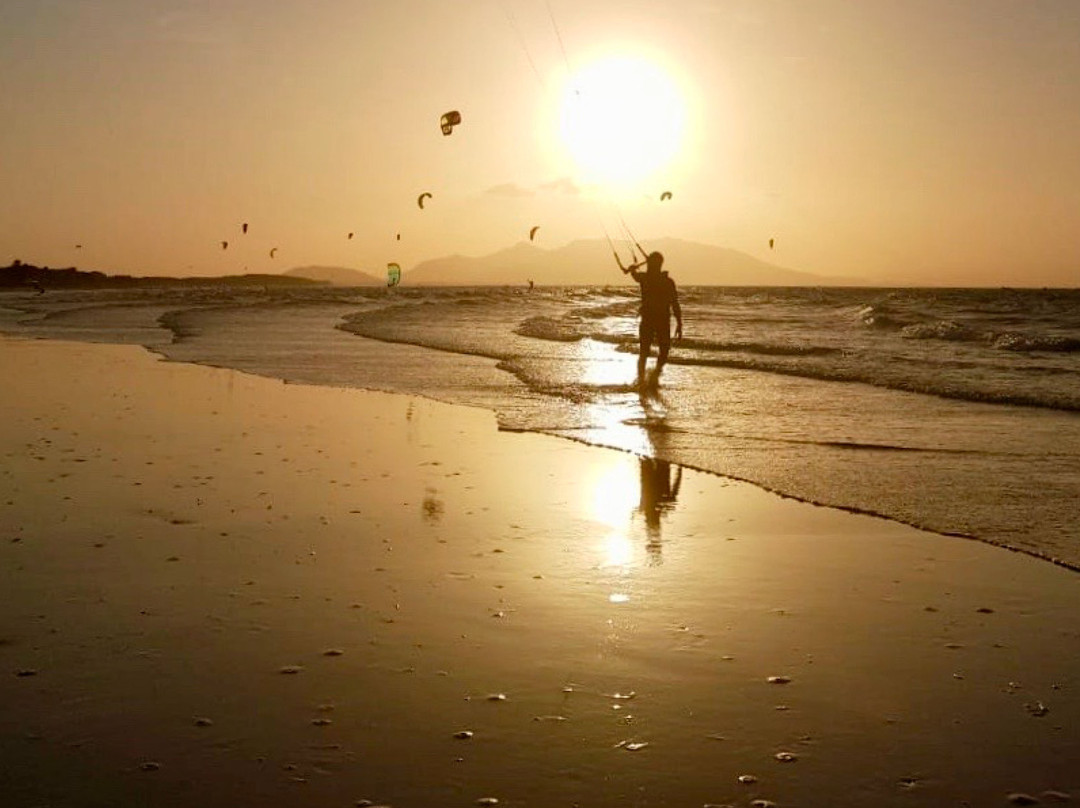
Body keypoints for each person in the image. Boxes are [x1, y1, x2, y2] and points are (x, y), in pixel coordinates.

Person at [621, 250, 683, 385]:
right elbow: (634, 275)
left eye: (651, 263)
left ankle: (654, 376)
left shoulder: (667, 281)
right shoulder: (645, 278)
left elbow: (675, 303)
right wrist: (632, 270)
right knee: (644, 351)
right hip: (649, 319)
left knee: (664, 351)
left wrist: (679, 323)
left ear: (657, 264)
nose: (649, 266)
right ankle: (642, 381)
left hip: (662, 320)